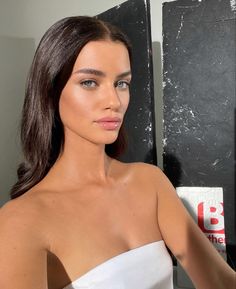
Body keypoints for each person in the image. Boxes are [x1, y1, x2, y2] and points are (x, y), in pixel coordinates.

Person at [0, 16, 235, 289]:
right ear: (51, 91)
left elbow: (220, 281)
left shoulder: (151, 183)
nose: (114, 102)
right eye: (89, 82)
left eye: (121, 83)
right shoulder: (21, 221)